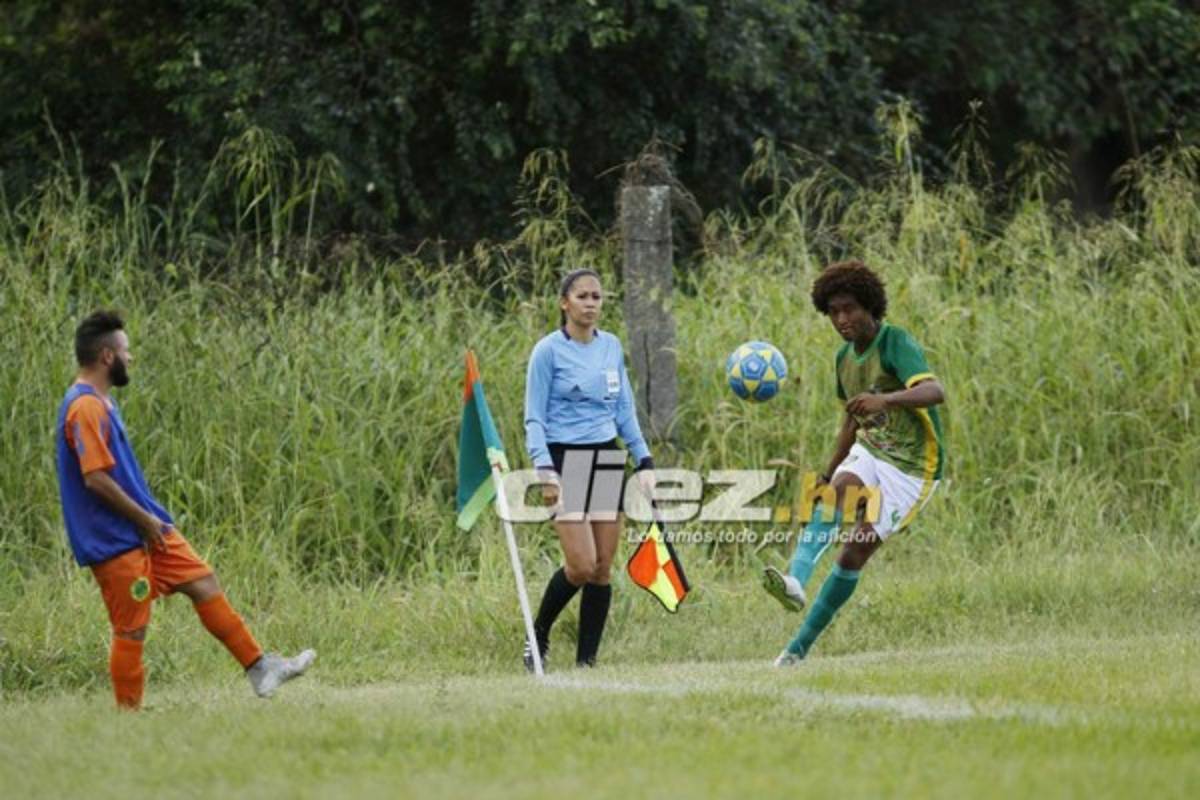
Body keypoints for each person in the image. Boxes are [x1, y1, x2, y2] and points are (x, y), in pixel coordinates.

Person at [54, 310, 315, 709]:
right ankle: (128, 717)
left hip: (147, 529)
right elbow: (96, 479)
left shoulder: (103, 403)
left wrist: (149, 521)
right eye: (127, 350)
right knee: (131, 629)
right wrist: (143, 520)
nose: (132, 358)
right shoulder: (84, 407)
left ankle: (260, 667)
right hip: (116, 538)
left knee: (202, 581)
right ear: (108, 357)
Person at [762, 261, 945, 665]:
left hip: (913, 467)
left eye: (849, 309)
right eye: (833, 312)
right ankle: (794, 581)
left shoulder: (896, 342)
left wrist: (888, 399)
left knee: (852, 553)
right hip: (873, 448)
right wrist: (826, 474)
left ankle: (797, 650)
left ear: (870, 307)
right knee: (839, 490)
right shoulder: (844, 358)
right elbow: (851, 418)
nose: (842, 319)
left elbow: (935, 391)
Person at [523, 269, 655, 669]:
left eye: (597, 296)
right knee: (580, 565)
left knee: (601, 569)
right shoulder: (547, 351)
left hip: (606, 454)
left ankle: (587, 663)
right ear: (565, 302)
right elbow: (533, 417)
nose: (591, 303)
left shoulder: (611, 346)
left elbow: (624, 410)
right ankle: (536, 636)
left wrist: (644, 460)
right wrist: (544, 468)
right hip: (565, 458)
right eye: (582, 296)